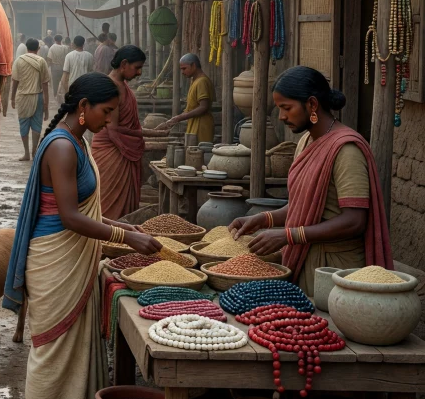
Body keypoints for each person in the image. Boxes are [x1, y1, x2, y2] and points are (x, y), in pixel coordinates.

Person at [4, 73, 160, 399]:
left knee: (70, 351)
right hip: (54, 264)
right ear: (83, 107)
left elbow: (82, 210)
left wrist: (119, 224)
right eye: (106, 112)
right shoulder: (62, 147)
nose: (110, 121)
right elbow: (71, 217)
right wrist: (127, 238)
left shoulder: (77, 141)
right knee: (52, 351)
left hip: (70, 259)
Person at [228, 66, 392, 290]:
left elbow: (355, 220)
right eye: (279, 108)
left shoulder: (346, 150)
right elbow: (304, 206)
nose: (282, 116)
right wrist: (263, 219)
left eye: (286, 108)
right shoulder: (306, 141)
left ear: (312, 104)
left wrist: (289, 236)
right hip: (306, 258)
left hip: (335, 268)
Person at [91, 46, 166, 220]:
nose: (139, 73)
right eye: (137, 67)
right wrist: (150, 134)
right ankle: (107, 238)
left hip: (119, 148)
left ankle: (121, 238)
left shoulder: (122, 85)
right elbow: (114, 130)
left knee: (125, 202)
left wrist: (151, 132)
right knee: (109, 203)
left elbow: (128, 128)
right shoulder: (112, 87)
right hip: (110, 150)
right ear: (124, 64)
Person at [158, 54, 215, 143]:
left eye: (184, 68)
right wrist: (172, 121)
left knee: (199, 153)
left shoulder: (202, 81)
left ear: (193, 65)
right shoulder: (195, 80)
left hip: (201, 125)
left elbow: (203, 107)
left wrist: (179, 118)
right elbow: (192, 106)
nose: (182, 72)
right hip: (194, 123)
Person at [13, 39, 51, 162]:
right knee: (36, 125)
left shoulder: (19, 60)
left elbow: (15, 81)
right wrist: (46, 103)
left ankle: (26, 153)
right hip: (37, 96)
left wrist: (12, 97)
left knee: (23, 124)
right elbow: (45, 84)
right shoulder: (41, 61)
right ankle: (34, 151)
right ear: (38, 48)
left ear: (26, 47)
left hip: (23, 96)